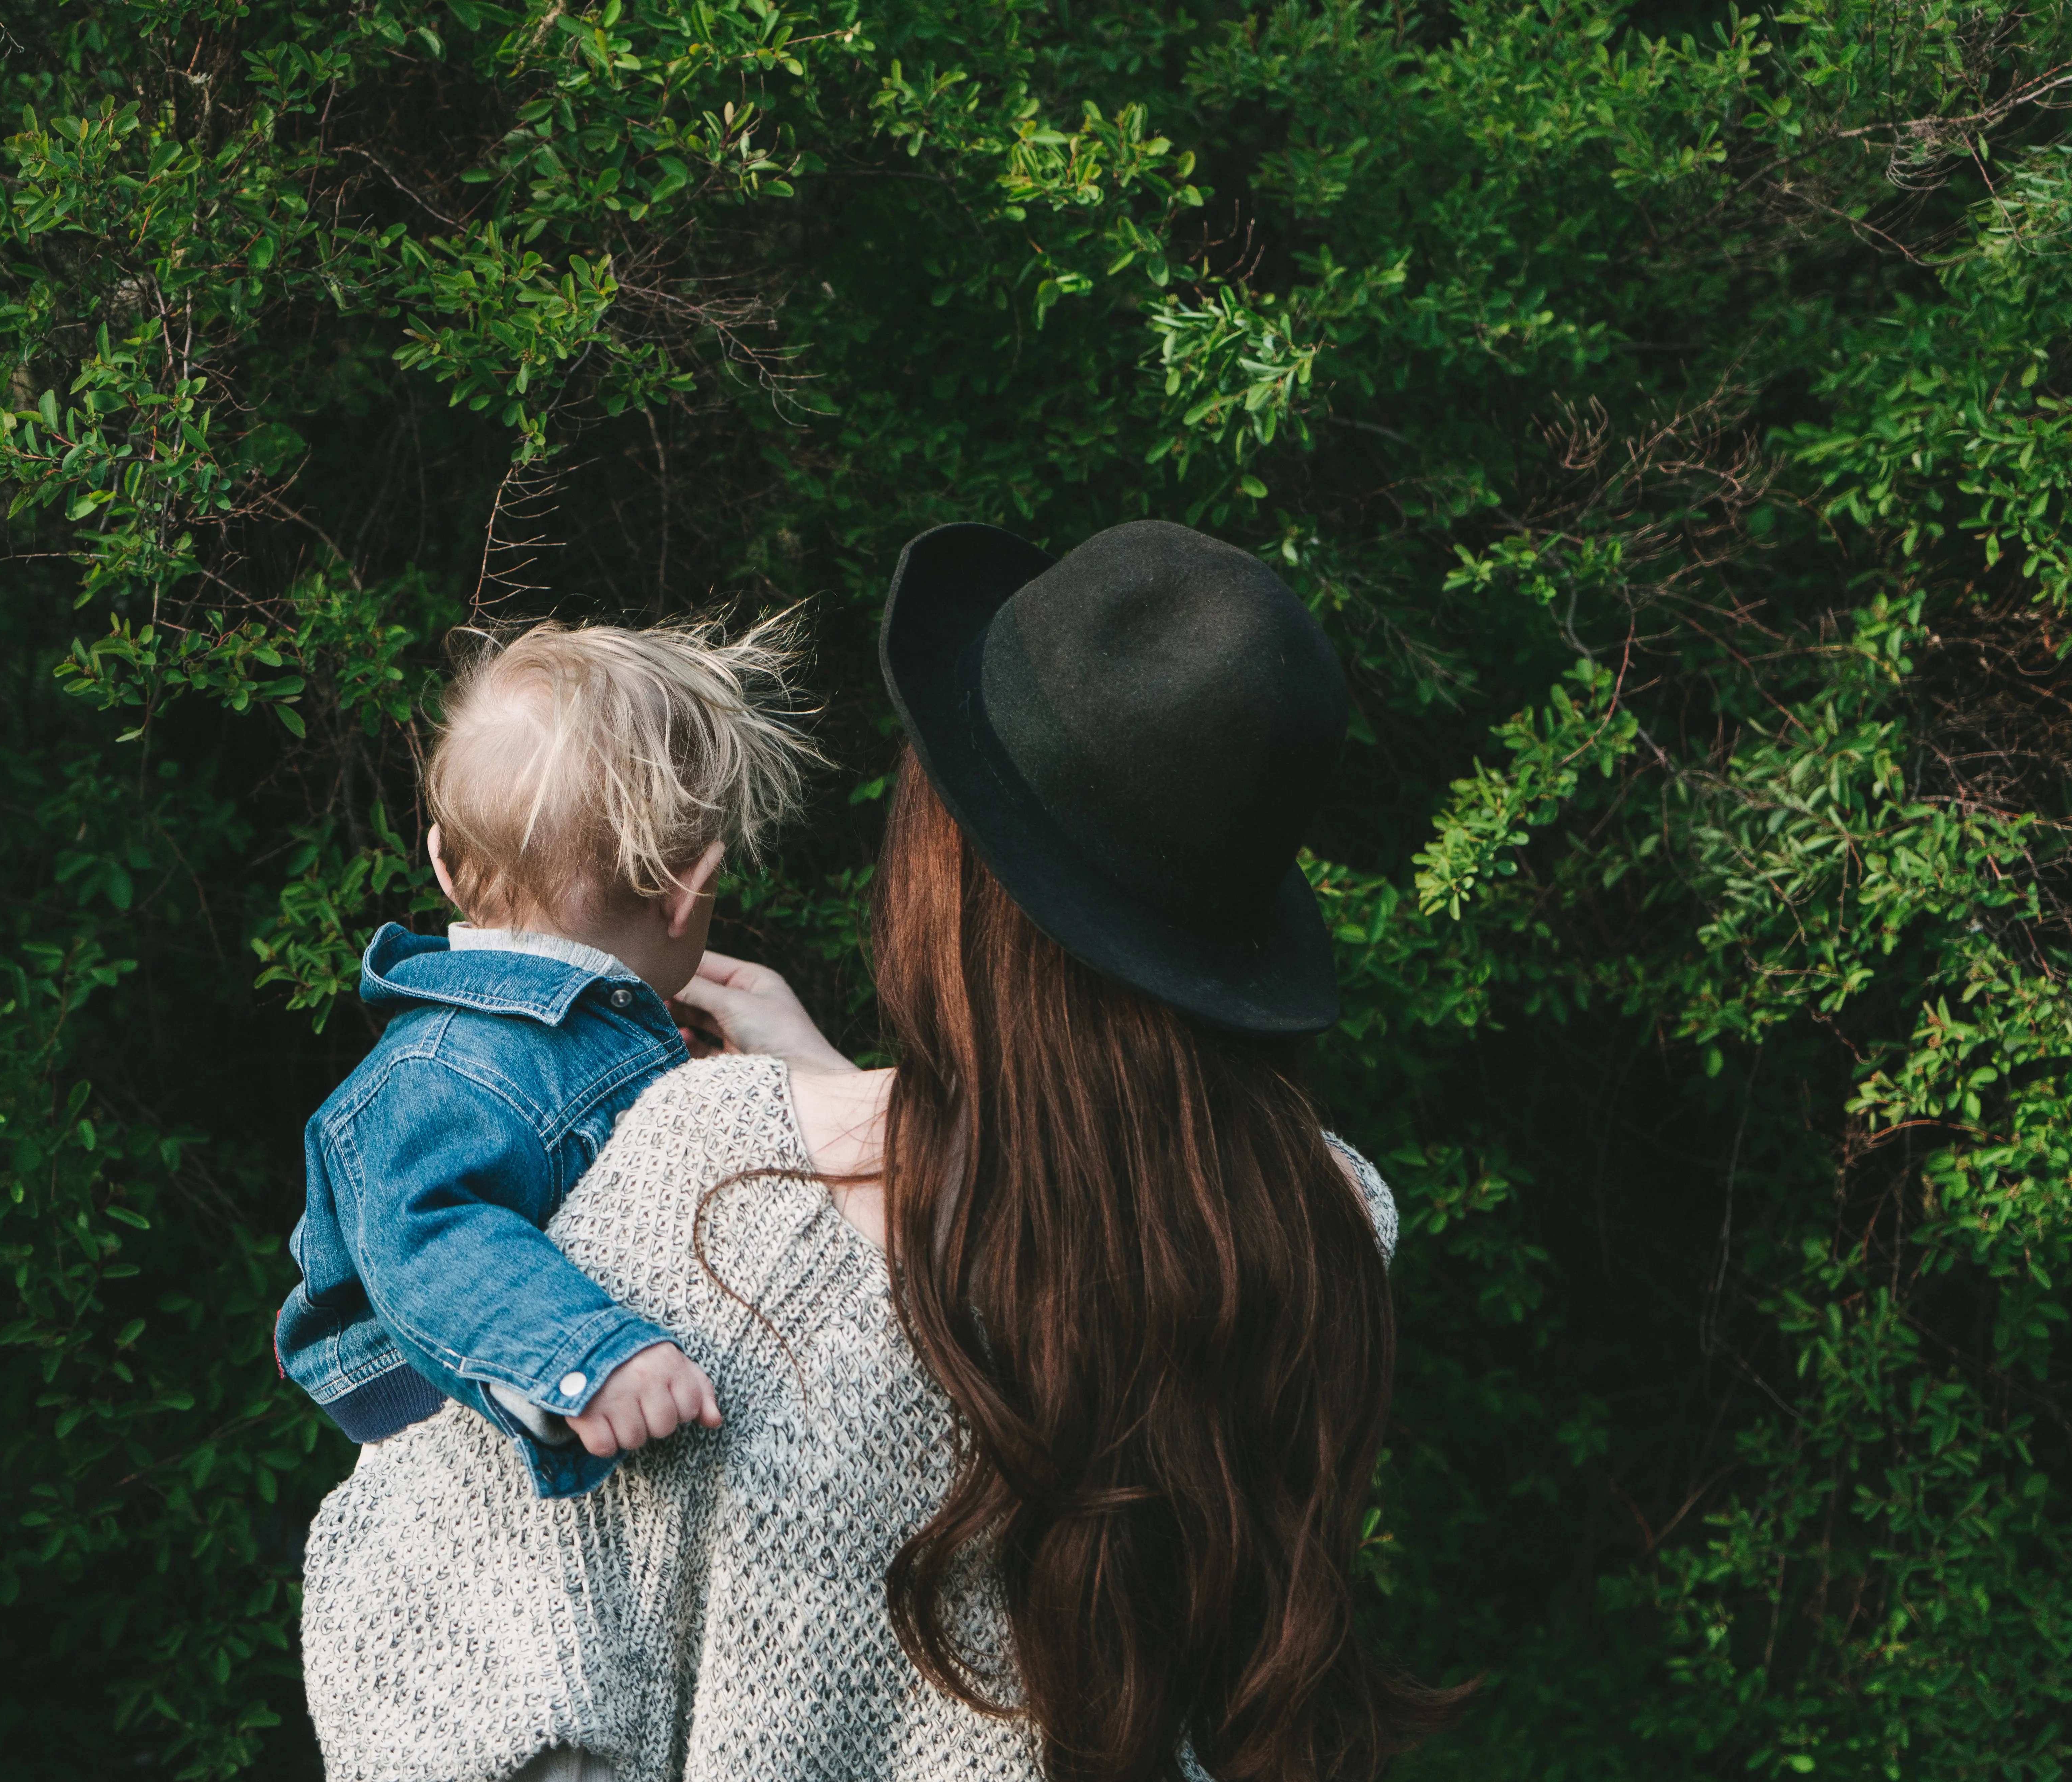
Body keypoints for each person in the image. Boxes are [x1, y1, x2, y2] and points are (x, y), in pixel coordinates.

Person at [301, 520, 1461, 1781]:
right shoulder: (1324, 1229)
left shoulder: (701, 1175)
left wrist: (816, 1119)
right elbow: (1037, 1212)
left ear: (945, 858)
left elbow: (427, 1670)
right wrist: (846, 1098)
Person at [274, 614, 819, 1496]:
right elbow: (422, 1231)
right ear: (691, 892)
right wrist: (587, 1359)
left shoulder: (580, 1042)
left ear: (446, 867)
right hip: (458, 1478)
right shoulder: (444, 1066)